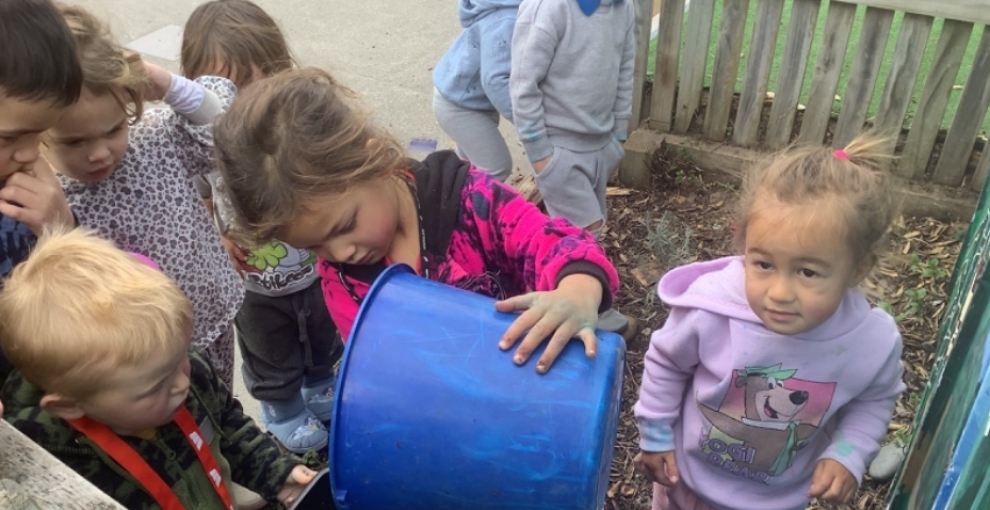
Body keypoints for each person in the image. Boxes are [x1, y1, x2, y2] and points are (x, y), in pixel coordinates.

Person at [213, 68, 620, 374]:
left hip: (532, 380)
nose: (340, 253)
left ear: (372, 161)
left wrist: (578, 293)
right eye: (314, 247)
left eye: (344, 226)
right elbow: (376, 370)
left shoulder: (468, 201)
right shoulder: (343, 283)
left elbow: (554, 243)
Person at [633, 136, 907, 510]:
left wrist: (848, 452)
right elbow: (666, 361)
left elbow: (875, 398)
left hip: (776, 500)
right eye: (762, 264)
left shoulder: (870, 342)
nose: (779, 292)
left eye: (808, 271)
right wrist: (655, 437)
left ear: (857, 269)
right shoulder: (713, 309)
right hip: (687, 484)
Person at [0, 227, 316, 509]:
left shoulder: (176, 368)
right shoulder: (51, 457)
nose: (182, 383)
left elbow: (229, 428)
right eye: (155, 386)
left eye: (181, 356)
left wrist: (278, 475)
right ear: (68, 405)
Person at [43, 5, 243, 386]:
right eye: (75, 141)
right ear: (35, 132)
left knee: (221, 411)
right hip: (137, 363)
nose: (99, 152)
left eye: (114, 128)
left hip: (209, 316)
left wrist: (167, 84)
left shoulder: (155, 140)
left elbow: (226, 127)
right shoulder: (47, 200)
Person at [181, 0, 341, 454]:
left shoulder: (297, 129)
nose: (242, 101)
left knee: (322, 327)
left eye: (256, 83)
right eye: (223, 89)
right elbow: (198, 202)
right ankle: (284, 407)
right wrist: (217, 239)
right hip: (252, 282)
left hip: (312, 264)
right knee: (269, 347)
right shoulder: (200, 142)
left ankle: (320, 383)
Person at [509, 0, 636, 337]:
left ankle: (555, 290)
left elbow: (625, 70)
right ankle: (592, 312)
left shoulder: (624, 8)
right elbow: (523, 83)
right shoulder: (549, 9)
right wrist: (541, 155)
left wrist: (618, 137)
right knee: (585, 232)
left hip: (601, 144)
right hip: (559, 150)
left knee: (577, 229)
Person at [432, 0, 521, 182]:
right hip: (461, 107)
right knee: (496, 168)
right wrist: (527, 121)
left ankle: (451, 200)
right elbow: (495, 81)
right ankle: (473, 207)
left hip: (460, 97)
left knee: (467, 168)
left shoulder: (506, 8)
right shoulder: (506, 19)